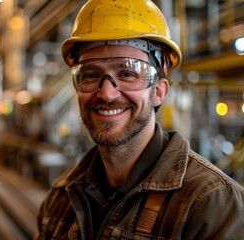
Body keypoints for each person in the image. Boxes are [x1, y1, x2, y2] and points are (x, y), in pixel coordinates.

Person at [35, 0, 244, 239]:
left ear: (159, 91)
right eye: (91, 75)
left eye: (127, 73)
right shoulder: (61, 198)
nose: (106, 93)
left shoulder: (212, 205)